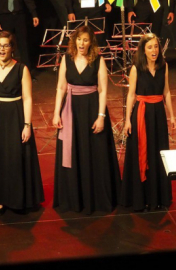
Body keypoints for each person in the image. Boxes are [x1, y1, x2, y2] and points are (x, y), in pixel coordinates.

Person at [52, 26, 121, 214]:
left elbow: (102, 90)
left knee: (95, 154)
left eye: (85, 40)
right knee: (73, 152)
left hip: (92, 110)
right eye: (79, 40)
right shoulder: (66, 59)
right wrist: (56, 112)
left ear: (91, 42)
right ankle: (74, 199)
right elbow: (60, 88)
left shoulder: (98, 61)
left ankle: (96, 198)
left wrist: (101, 117)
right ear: (74, 41)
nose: (81, 43)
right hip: (71, 110)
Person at [0, 31, 44, 215]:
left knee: (14, 159)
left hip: (15, 118)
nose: (2, 49)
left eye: (6, 45)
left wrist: (27, 125)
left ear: (12, 48)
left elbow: (28, 99)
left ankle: (16, 199)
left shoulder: (21, 69)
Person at [121, 33, 176, 211]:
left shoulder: (163, 66)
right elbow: (131, 95)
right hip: (142, 114)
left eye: (156, 46)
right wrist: (127, 120)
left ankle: (158, 197)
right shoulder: (136, 68)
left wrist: (172, 115)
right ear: (143, 50)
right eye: (150, 47)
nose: (154, 50)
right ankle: (141, 197)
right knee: (141, 154)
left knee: (158, 153)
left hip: (158, 114)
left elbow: (166, 91)